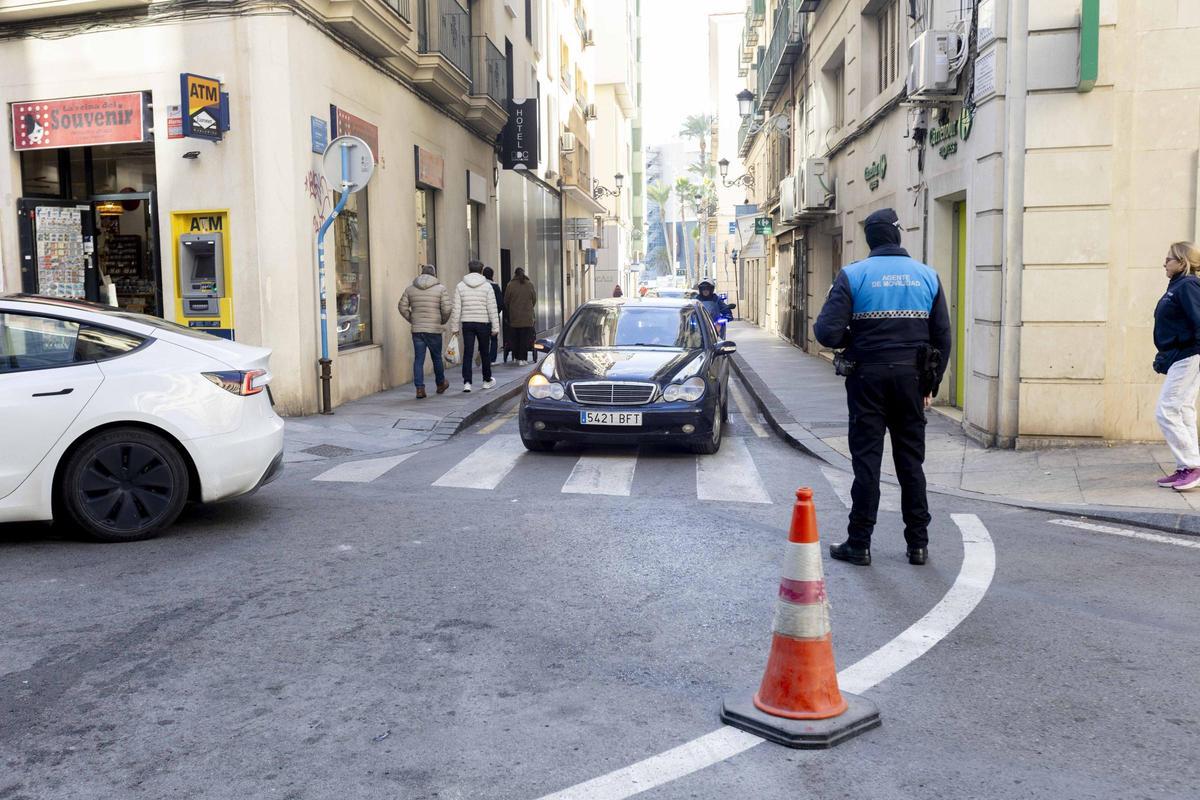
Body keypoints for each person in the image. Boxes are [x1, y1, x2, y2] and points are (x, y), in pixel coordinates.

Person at [814, 207, 951, 567]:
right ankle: (918, 545)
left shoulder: (853, 275)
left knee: (867, 463)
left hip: (867, 379)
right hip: (911, 380)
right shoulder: (927, 276)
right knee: (910, 464)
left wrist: (855, 338)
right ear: (897, 234)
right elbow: (943, 337)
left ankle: (859, 544)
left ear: (869, 239)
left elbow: (826, 332)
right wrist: (930, 383)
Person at [1153, 242, 1200, 491]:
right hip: (1180, 355)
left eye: (1169, 258)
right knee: (1181, 409)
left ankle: (1192, 466)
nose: (1165, 262)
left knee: (1167, 410)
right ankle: (1187, 467)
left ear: (1182, 262)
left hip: (1190, 355)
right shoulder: (1178, 286)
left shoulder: (1188, 285)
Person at [398, 264, 451, 399]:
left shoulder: (410, 289)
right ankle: (440, 384)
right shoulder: (441, 289)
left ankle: (420, 389)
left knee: (418, 359)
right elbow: (447, 309)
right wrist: (442, 321)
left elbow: (402, 306)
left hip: (417, 330)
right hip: (434, 329)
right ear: (434, 274)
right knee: (437, 357)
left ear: (421, 274)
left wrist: (412, 319)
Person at [449, 260, 499, 392]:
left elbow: (456, 308)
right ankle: (486, 380)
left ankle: (467, 383)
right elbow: (492, 308)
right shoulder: (487, 287)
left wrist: (454, 327)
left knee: (468, 352)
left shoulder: (460, 286)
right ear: (481, 270)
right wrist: (495, 327)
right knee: (484, 353)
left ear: (469, 269)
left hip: (467, 323)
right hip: (483, 323)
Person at [504, 267, 538, 366]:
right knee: (525, 338)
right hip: (527, 317)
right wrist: (529, 308)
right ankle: (523, 358)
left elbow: (506, 300)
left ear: (515, 274)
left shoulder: (510, 285)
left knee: (515, 338)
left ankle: (516, 357)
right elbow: (534, 299)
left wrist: (511, 309)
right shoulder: (529, 284)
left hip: (514, 317)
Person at [483, 266, 504, 366]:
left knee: (483, 338)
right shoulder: (495, 287)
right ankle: (492, 359)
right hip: (493, 315)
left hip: (482, 316)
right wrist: (496, 312)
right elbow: (500, 303)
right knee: (494, 338)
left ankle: (484, 356)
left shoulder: (481, 286)